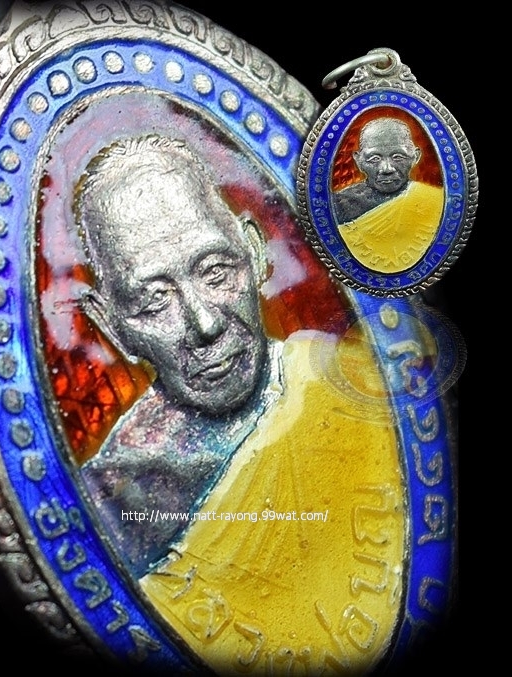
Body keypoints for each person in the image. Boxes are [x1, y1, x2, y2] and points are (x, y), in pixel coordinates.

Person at [75, 134, 405, 671]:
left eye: (215, 271)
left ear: (253, 252)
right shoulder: (109, 510)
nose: (204, 324)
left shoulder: (354, 383)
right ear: (111, 325)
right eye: (154, 301)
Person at [333, 117, 443, 273]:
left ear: (416, 156)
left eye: (398, 157)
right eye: (374, 159)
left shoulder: (436, 201)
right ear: (358, 160)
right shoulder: (338, 205)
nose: (387, 169)